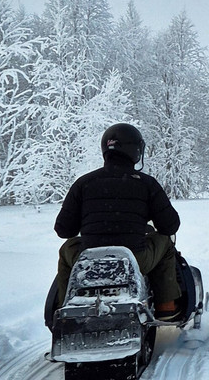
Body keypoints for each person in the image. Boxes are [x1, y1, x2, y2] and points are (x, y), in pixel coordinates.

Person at [53, 123, 183, 320]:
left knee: (66, 249)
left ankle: (66, 309)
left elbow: (63, 230)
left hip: (89, 261)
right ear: (136, 150)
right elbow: (170, 226)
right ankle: (166, 307)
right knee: (164, 242)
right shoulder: (146, 183)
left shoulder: (83, 182)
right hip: (134, 260)